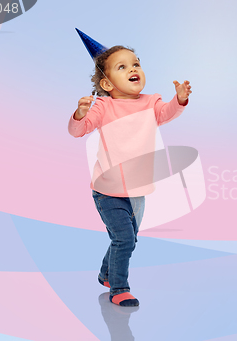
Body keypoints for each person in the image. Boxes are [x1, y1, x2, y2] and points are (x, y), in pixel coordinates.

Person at [68, 43, 192, 306]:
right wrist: (80, 114)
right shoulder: (104, 107)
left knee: (126, 239)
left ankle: (105, 273)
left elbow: (167, 113)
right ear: (107, 83)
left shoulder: (151, 102)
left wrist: (179, 99)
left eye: (135, 63)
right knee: (124, 239)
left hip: (138, 190)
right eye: (122, 67)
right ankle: (119, 288)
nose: (133, 69)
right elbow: (79, 131)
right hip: (107, 190)